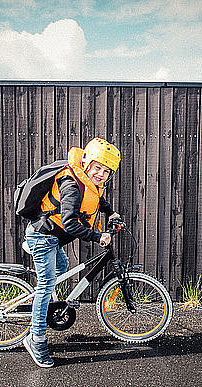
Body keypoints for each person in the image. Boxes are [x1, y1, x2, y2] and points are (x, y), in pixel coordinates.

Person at [23, 137, 121, 368]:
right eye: (97, 167)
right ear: (87, 162)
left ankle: (48, 302)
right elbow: (70, 224)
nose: (100, 174)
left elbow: (97, 198)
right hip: (43, 237)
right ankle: (35, 339)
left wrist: (111, 213)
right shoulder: (71, 186)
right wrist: (98, 236)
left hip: (52, 238)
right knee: (46, 285)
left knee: (62, 267)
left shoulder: (86, 181)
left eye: (106, 171)